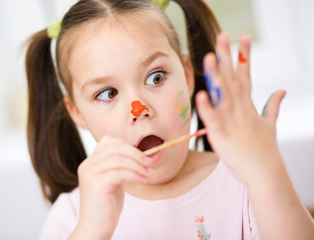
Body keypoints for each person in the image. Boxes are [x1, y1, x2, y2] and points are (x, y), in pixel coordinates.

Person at [25, 0, 314, 239]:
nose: (139, 109)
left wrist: (266, 170)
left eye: (156, 77)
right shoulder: (74, 216)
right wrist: (92, 231)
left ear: (187, 75)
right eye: (108, 92)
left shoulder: (245, 180)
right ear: (77, 113)